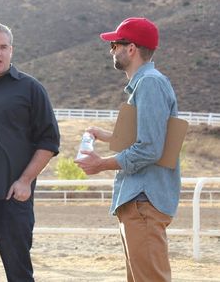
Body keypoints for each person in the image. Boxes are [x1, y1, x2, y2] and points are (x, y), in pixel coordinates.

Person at [75, 17, 181, 282]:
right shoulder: (147, 84)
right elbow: (152, 139)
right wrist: (108, 136)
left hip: (143, 201)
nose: (112, 50)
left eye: (115, 45)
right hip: (140, 201)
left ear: (131, 48)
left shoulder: (150, 83)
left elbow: (149, 150)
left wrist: (101, 164)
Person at [0, 22, 60, 282]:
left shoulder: (30, 89)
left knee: (19, 273)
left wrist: (25, 181)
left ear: (11, 51)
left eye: (3, 47)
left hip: (13, 199)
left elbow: (49, 141)